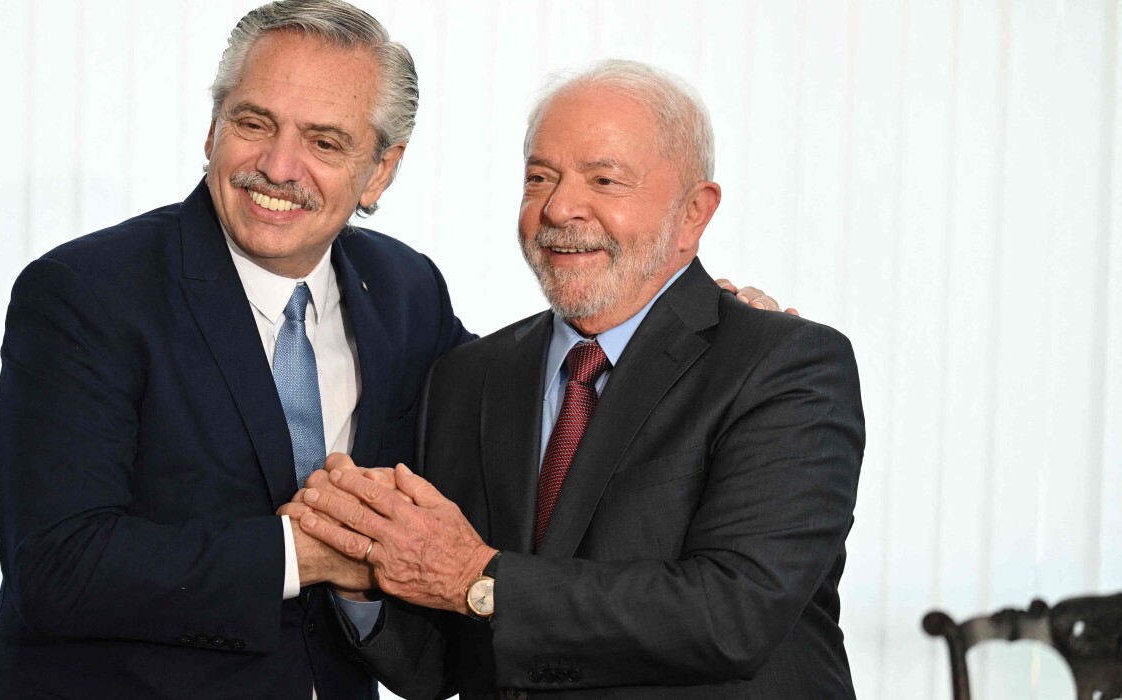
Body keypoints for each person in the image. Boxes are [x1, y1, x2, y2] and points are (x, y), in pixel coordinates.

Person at [293, 60, 865, 699]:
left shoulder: (787, 365)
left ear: (693, 213)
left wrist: (477, 578)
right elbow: (440, 664)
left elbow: (734, 616)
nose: (559, 207)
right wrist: (363, 576)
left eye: (604, 179)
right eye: (539, 177)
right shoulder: (468, 378)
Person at [0, 2, 467, 697]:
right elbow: (58, 567)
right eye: (254, 123)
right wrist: (311, 552)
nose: (278, 165)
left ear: (381, 169)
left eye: (325, 142)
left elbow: (500, 441)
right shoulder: (86, 293)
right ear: (213, 127)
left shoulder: (407, 291)